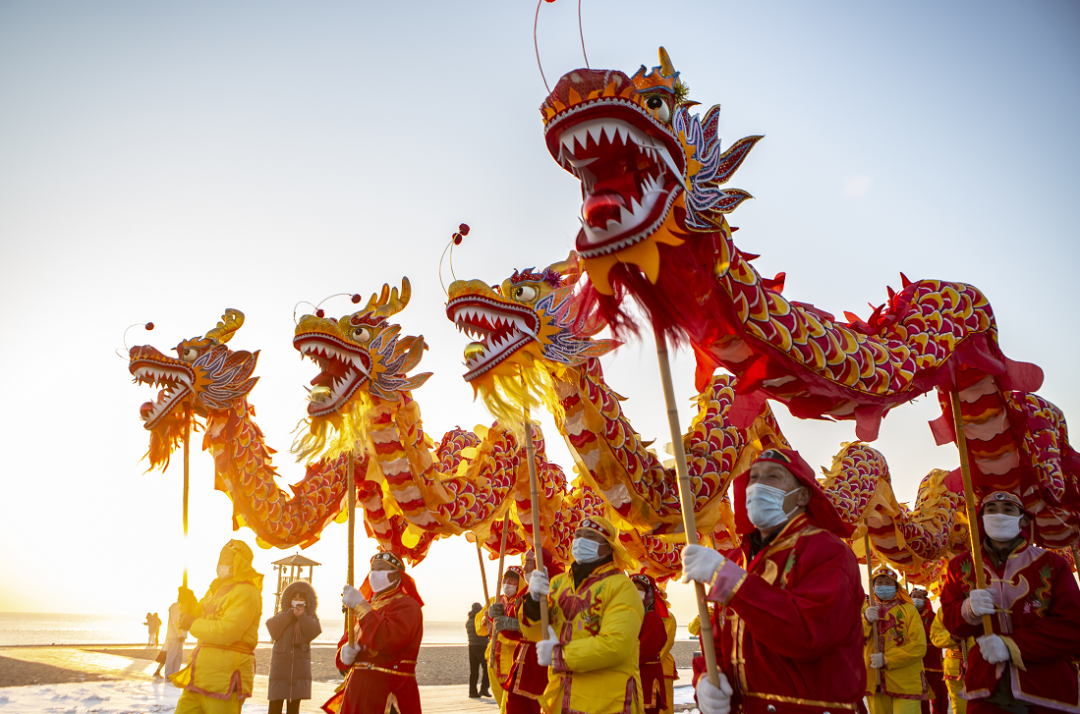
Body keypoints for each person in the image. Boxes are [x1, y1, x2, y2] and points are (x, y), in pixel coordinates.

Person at [681, 448, 866, 714]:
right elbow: (717, 638)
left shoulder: (826, 550)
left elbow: (808, 633)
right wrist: (707, 679)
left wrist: (733, 582)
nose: (757, 485)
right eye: (753, 477)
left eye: (772, 476)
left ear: (802, 495)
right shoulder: (736, 560)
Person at [940, 490, 1080, 714]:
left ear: (1022, 519)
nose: (999, 515)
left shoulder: (1052, 564)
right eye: (991, 510)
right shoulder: (960, 567)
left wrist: (1011, 645)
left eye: (1008, 510)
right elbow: (951, 622)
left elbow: (1072, 625)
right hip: (987, 688)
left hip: (1046, 688)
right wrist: (967, 610)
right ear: (982, 518)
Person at [522, 515, 645, 714]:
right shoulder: (558, 583)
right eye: (577, 535)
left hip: (607, 703)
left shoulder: (622, 587)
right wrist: (533, 601)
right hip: (560, 698)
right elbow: (535, 632)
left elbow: (615, 647)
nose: (580, 541)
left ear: (608, 547)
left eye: (590, 536)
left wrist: (558, 655)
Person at [323, 551, 424, 714]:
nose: (375, 574)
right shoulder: (367, 606)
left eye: (381, 569)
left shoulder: (407, 605)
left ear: (396, 575)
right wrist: (343, 654)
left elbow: (387, 640)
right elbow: (348, 639)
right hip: (356, 692)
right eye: (373, 569)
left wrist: (361, 606)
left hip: (387, 694)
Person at [170, 539, 264, 714]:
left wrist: (192, 623)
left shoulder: (247, 593)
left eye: (225, 556)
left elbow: (227, 631)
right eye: (219, 556)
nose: (219, 561)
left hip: (225, 678)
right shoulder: (215, 591)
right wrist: (188, 603)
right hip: (199, 675)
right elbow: (200, 617)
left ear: (238, 560)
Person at [476, 564, 548, 713]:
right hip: (493, 660)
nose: (508, 583)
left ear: (520, 581)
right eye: (506, 579)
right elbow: (480, 628)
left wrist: (506, 628)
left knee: (508, 704)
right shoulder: (495, 600)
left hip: (512, 661)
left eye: (513, 580)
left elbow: (526, 634)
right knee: (501, 702)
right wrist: (485, 621)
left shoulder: (523, 603)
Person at [863, 565, 927, 714]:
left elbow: (918, 646)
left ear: (896, 586)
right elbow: (849, 637)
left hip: (906, 681)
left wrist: (887, 659)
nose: (884, 586)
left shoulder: (909, 610)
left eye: (888, 583)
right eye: (879, 583)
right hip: (874, 680)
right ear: (873, 585)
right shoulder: (864, 609)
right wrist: (865, 620)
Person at [266, 579, 322, 714]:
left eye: (301, 597)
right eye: (294, 598)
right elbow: (272, 629)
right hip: (280, 670)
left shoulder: (310, 617)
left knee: (293, 708)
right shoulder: (282, 615)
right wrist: (289, 615)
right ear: (289, 599)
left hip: (298, 672)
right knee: (274, 706)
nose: (297, 600)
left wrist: (302, 617)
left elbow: (314, 631)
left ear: (307, 600)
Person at [631, 574, 669, 714]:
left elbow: (645, 650)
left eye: (640, 589)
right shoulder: (632, 615)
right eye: (632, 588)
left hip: (646, 679)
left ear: (649, 594)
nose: (636, 592)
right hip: (634, 677)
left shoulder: (652, 617)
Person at [929, 605, 971, 714]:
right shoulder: (945, 609)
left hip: (980, 667)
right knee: (960, 710)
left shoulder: (986, 605)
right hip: (953, 669)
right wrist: (953, 636)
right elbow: (936, 636)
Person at [910, 588, 946, 714]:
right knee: (919, 696)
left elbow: (935, 635)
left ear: (925, 600)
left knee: (939, 695)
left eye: (919, 597)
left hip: (932, 661)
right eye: (913, 596)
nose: (916, 599)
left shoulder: (932, 616)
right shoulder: (906, 615)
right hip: (913, 662)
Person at [153, 598, 188, 679]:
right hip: (174, 636)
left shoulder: (181, 608)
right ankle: (169, 675)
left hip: (179, 636)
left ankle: (175, 674)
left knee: (178, 657)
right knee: (171, 656)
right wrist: (180, 635)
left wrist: (184, 635)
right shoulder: (176, 608)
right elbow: (176, 622)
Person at [466, 602, 491, 699]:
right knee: (487, 668)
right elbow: (486, 631)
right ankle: (484, 689)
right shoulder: (480, 619)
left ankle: (472, 692)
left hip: (471, 646)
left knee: (474, 670)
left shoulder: (468, 621)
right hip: (482, 646)